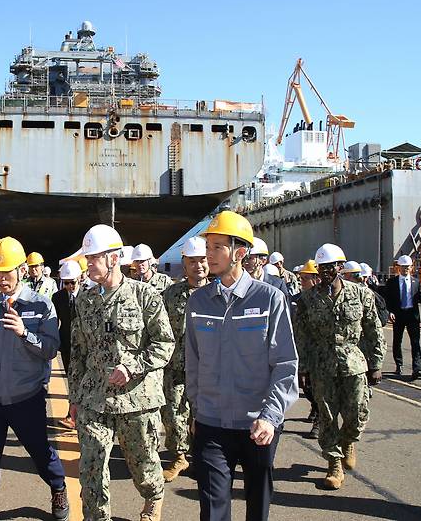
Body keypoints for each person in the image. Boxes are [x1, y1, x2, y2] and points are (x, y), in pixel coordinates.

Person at [186, 211, 298, 521]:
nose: (209, 255)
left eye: (217, 247)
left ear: (239, 252)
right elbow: (193, 362)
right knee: (212, 510)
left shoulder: (270, 300)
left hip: (257, 426)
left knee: (257, 507)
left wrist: (270, 417)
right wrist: (197, 411)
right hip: (211, 424)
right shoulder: (198, 302)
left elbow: (286, 364)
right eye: (208, 247)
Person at [0, 236, 69, 520]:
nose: (2, 279)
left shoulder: (42, 306)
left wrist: (24, 333)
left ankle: (57, 485)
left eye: (7, 272)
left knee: (40, 451)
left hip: (26, 395)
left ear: (21, 270)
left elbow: (50, 349)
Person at [69, 225, 174, 521]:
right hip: (94, 398)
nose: (88, 264)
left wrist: (133, 366)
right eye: (87, 258)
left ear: (114, 259)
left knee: (143, 468)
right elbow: (78, 353)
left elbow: (165, 343)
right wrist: (75, 397)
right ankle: (96, 516)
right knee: (91, 465)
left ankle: (153, 497)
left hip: (136, 400)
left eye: (94, 258)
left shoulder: (145, 296)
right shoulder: (84, 300)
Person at [294, 243, 384, 489]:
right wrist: (303, 368)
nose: (326, 271)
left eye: (331, 266)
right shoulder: (308, 299)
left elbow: (373, 328)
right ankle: (334, 463)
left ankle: (349, 441)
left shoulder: (361, 294)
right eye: (322, 267)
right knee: (327, 415)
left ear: (340, 267)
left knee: (356, 412)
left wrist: (376, 362)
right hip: (322, 364)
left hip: (354, 362)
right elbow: (302, 335)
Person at [161, 236, 209, 483]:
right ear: (184, 263)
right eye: (192, 261)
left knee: (206, 414)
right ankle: (179, 455)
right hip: (177, 366)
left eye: (202, 260)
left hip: (210, 368)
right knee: (173, 413)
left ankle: (203, 456)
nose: (198, 266)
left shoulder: (218, 293)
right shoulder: (170, 295)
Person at [383, 255, 421, 379]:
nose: (405, 269)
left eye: (407, 267)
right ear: (398, 268)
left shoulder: (416, 282)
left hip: (412, 316)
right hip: (398, 316)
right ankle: (399, 365)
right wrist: (390, 311)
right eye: (403, 267)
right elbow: (387, 299)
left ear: (411, 267)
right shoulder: (392, 282)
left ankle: (417, 368)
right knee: (397, 341)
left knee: (415, 343)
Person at [52, 259, 82, 430]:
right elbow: (54, 321)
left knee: (85, 380)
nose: (70, 286)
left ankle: (80, 414)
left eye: (73, 282)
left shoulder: (89, 294)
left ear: (80, 278)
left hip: (86, 348)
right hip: (66, 346)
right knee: (72, 380)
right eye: (66, 283)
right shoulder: (58, 297)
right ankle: (72, 414)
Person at [293, 259, 321, 438]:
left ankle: (319, 421)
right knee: (306, 387)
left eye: (304, 279)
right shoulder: (298, 300)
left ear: (315, 279)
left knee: (320, 389)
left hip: (321, 354)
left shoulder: (324, 299)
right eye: (300, 278)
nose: (301, 282)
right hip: (303, 352)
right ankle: (315, 408)